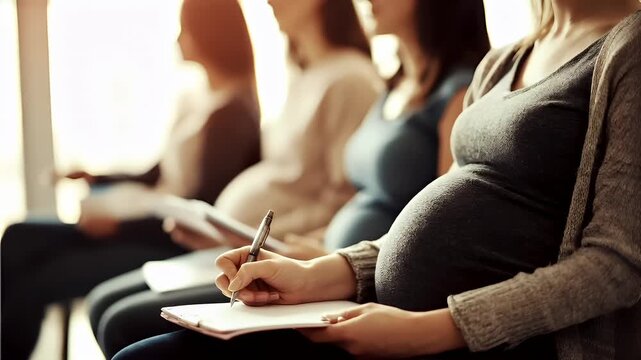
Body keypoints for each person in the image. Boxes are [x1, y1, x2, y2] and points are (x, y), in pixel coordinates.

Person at [113, 0, 641, 359]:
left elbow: (616, 265)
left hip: (468, 340)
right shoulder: (503, 61)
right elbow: (442, 208)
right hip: (382, 312)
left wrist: (428, 331)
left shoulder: (628, 50)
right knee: (134, 339)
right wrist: (323, 273)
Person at [86, 0, 381, 357]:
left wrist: (266, 239)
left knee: (118, 319)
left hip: (280, 255)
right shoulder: (303, 74)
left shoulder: (350, 79)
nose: (269, 1)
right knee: (106, 305)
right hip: (238, 247)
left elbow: (339, 199)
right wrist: (225, 230)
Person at [0, 0, 261, 358]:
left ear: (208, 35)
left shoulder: (232, 115)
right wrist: (96, 175)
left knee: (35, 279)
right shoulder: (199, 100)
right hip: (143, 222)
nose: (179, 38)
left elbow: (199, 209)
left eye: (185, 28)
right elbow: (157, 173)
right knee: (19, 236)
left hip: (163, 240)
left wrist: (117, 227)